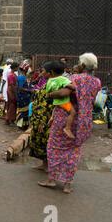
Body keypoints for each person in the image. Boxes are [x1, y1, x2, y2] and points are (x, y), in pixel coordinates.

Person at [39, 53, 101, 194]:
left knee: (54, 147)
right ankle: (67, 184)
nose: (77, 65)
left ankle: (52, 180)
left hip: (64, 117)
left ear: (83, 65)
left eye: (79, 63)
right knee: (73, 151)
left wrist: (49, 94)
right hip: (83, 120)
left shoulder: (74, 79)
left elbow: (63, 94)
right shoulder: (97, 82)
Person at [28, 62, 53, 172]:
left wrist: (43, 121)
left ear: (50, 73)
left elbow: (49, 104)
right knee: (40, 141)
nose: (41, 73)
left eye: (43, 71)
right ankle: (44, 164)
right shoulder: (46, 82)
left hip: (45, 118)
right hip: (39, 117)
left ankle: (48, 165)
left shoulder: (53, 85)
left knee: (45, 141)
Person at [45, 61, 77, 139]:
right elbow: (69, 86)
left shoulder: (49, 81)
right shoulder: (62, 79)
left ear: (51, 72)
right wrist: (73, 86)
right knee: (73, 113)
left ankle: (52, 118)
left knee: (55, 108)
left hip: (56, 102)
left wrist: (51, 94)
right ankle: (67, 128)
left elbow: (48, 92)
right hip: (64, 102)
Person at [16, 61, 32, 129]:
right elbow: (20, 88)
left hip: (24, 96)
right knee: (23, 111)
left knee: (25, 111)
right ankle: (21, 125)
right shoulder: (22, 77)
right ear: (25, 69)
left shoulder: (22, 76)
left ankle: (23, 125)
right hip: (23, 96)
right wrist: (30, 90)